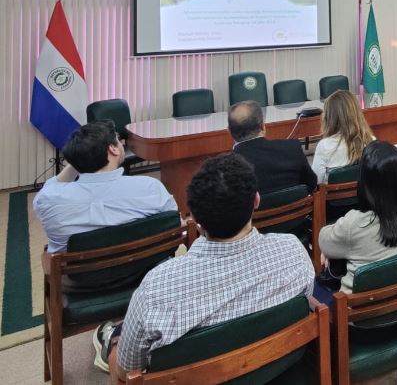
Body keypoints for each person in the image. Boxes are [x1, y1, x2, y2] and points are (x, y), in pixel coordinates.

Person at [108, 153, 315, 378]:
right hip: (277, 371)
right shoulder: (293, 251)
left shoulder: (156, 289)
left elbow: (127, 369)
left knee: (115, 352)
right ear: (256, 201)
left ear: (194, 218)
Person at [33, 120, 177, 254]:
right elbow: (173, 223)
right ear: (113, 149)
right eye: (117, 139)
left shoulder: (48, 199)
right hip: (145, 270)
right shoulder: (150, 188)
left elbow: (52, 185)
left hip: (80, 278)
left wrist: (79, 158)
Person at [317, 141, 397, 294]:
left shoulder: (354, 224)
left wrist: (331, 250)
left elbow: (323, 241)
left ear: (365, 183)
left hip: (362, 314)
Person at [229, 100, 317, 194]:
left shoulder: (227, 168)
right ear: (263, 126)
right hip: (298, 208)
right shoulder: (292, 148)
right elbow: (312, 184)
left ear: (229, 131)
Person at [312, 90, 375, 184]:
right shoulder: (370, 140)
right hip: (363, 196)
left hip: (333, 197)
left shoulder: (324, 146)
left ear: (329, 118)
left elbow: (316, 181)